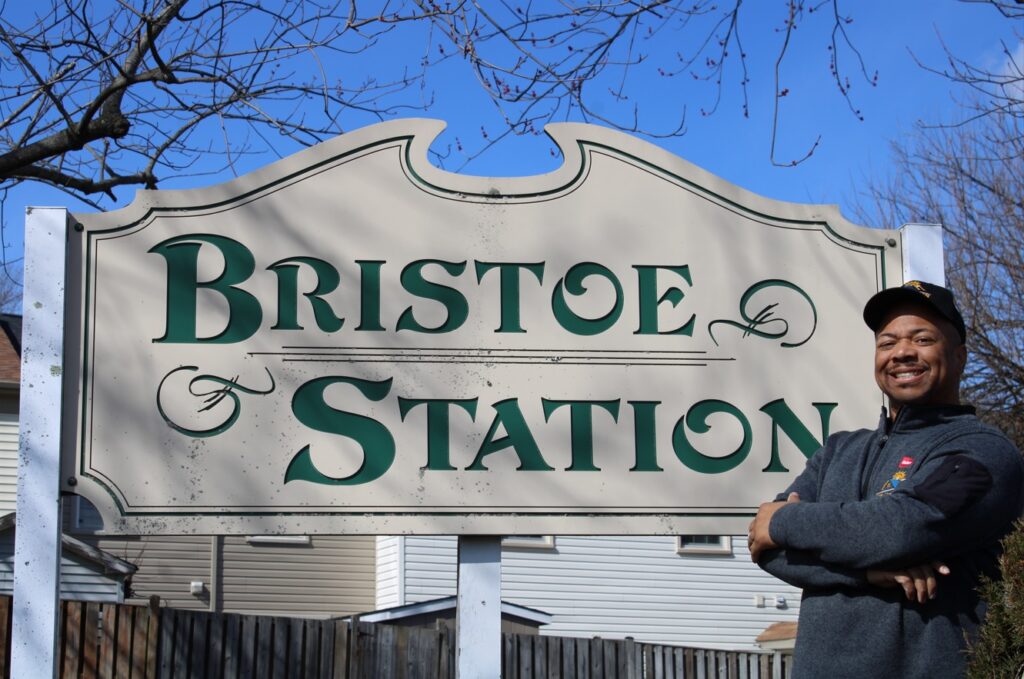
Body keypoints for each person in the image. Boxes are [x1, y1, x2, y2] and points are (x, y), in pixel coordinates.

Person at [748, 280, 1024, 679]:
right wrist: (866, 572)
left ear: (960, 356)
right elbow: (764, 548)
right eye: (887, 342)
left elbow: (901, 527)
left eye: (922, 338)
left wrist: (783, 521)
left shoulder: (983, 452)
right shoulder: (838, 452)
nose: (902, 353)